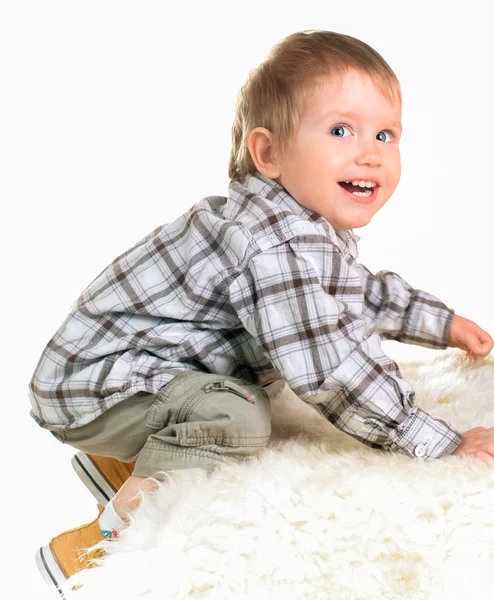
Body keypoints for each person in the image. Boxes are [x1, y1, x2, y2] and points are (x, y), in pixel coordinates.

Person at [30, 29, 494, 595]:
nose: (370, 152)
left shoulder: (302, 226)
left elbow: (356, 293)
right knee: (239, 416)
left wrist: (439, 323)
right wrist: (438, 439)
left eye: (386, 133)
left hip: (133, 374)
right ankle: (100, 545)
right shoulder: (268, 245)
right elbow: (330, 370)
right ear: (269, 153)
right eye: (341, 130)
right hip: (97, 387)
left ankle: (125, 466)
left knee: (242, 396)